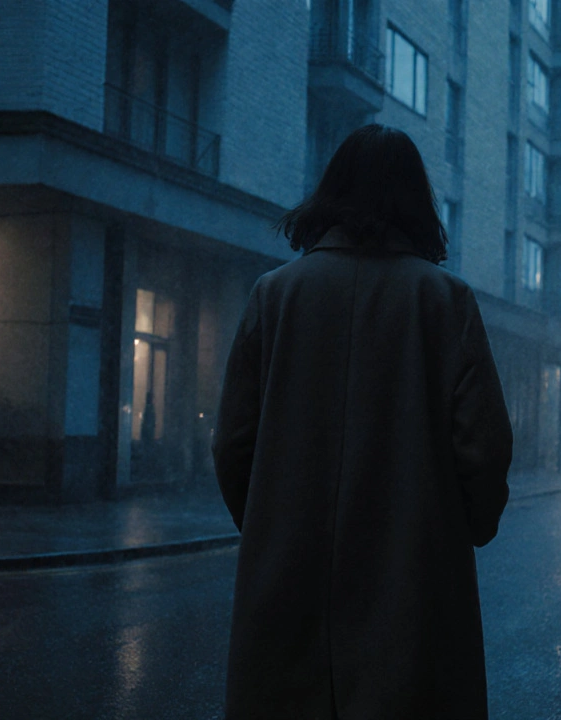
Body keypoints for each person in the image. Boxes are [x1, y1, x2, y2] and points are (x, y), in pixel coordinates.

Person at [213, 124, 513, 720]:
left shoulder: (274, 296)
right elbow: (484, 447)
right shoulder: (445, 301)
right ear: (415, 201)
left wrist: (273, 523)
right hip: (415, 586)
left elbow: (233, 441)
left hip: (286, 585)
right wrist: (465, 529)